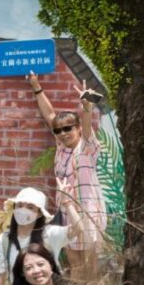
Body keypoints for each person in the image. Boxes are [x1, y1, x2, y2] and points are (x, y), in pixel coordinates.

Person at [29, 72, 107, 271]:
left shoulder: (87, 148)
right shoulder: (61, 148)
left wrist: (87, 108)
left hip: (88, 213)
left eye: (68, 129)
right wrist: (36, 87)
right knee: (74, 265)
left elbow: (88, 129)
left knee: (90, 267)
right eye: (59, 131)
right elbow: (50, 116)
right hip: (66, 212)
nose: (63, 133)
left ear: (78, 128)